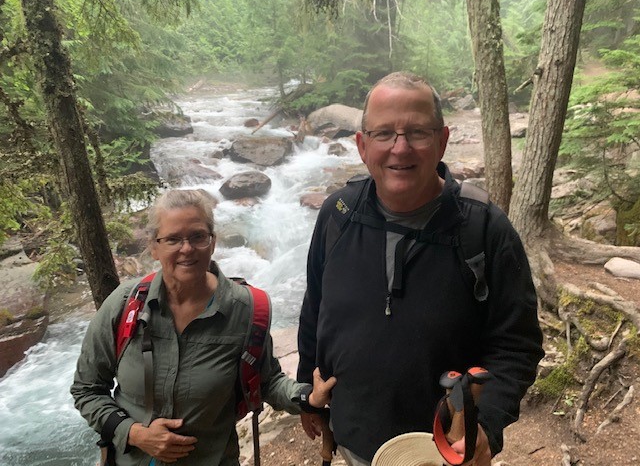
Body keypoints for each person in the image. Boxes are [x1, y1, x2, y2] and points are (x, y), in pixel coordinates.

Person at [296, 72, 544, 466]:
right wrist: (306, 398)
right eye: (383, 134)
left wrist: (487, 425)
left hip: (445, 453)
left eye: (417, 132)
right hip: (355, 444)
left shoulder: (483, 229)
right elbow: (315, 312)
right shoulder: (338, 215)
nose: (400, 148)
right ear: (362, 145)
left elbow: (517, 345)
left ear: (442, 141)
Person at [71, 188, 335, 466]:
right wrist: (134, 434)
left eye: (197, 236)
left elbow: (267, 381)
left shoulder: (245, 309)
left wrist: (307, 396)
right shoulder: (125, 305)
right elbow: (87, 389)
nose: (186, 248)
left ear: (212, 242)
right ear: (154, 246)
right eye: (173, 239)